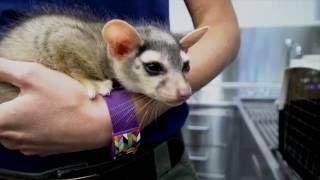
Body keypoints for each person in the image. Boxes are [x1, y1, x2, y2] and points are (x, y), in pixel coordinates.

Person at [0, 0, 240, 179]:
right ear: (119, 48)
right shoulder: (90, 48)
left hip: (151, 166)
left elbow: (220, 23)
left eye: (184, 67)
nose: (185, 91)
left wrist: (115, 119)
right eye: (155, 67)